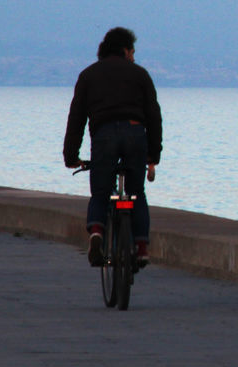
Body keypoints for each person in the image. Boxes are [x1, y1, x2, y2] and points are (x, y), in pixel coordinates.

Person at [63, 27, 163, 268]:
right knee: (136, 192)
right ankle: (140, 248)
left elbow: (76, 118)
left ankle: (97, 232)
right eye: (133, 51)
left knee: (101, 192)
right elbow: (154, 116)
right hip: (134, 133)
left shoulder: (88, 75)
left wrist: (71, 155)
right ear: (125, 50)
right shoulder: (140, 74)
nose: (134, 56)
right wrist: (153, 154)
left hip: (104, 136)